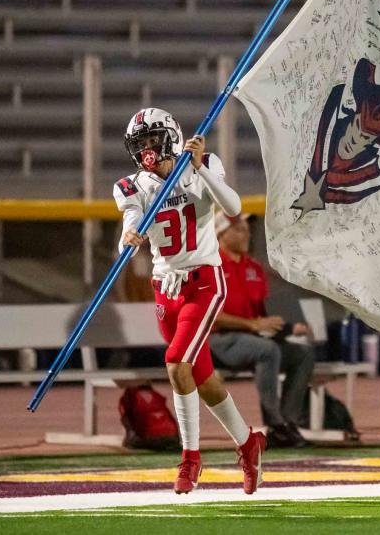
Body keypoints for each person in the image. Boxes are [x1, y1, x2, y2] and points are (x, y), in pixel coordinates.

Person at [114, 107, 265, 495]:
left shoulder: (201, 163)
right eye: (140, 144)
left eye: (152, 140)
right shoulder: (132, 186)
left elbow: (232, 208)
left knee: (176, 364)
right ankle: (249, 443)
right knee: (201, 378)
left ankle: (190, 460)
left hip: (203, 282)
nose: (147, 150)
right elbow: (131, 224)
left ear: (169, 137)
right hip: (166, 287)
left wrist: (200, 168)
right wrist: (128, 240)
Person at [210, 212, 318, 449]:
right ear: (221, 233)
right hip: (217, 341)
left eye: (247, 230)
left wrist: (289, 327)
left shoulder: (254, 268)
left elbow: (261, 314)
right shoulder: (210, 265)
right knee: (267, 349)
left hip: (251, 342)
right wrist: (252, 325)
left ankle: (287, 424)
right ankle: (274, 422)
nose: (246, 234)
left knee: (302, 354)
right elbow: (209, 315)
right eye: (238, 229)